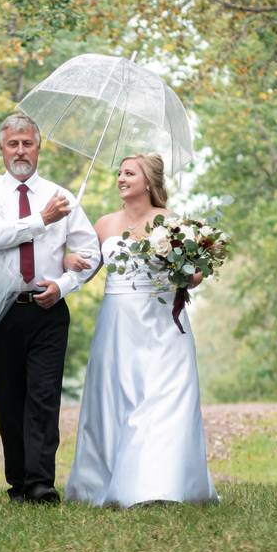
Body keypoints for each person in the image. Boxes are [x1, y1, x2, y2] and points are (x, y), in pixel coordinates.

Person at [63, 153, 218, 507]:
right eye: (119, 173)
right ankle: (102, 482)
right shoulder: (103, 224)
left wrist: (188, 270)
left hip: (162, 324)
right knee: (115, 400)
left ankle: (157, 485)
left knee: (163, 399)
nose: (121, 178)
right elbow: (83, 269)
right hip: (117, 327)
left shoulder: (172, 222)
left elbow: (193, 276)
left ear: (147, 181)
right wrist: (66, 259)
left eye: (129, 173)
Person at [0, 112, 100, 504]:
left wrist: (62, 285)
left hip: (48, 311)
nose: (21, 151)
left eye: (28, 143)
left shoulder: (62, 197)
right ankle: (18, 484)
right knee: (9, 396)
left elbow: (92, 251)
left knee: (44, 397)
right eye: (14, 143)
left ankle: (42, 483)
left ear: (39, 147)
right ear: (1, 149)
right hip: (2, 309)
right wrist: (41, 220)